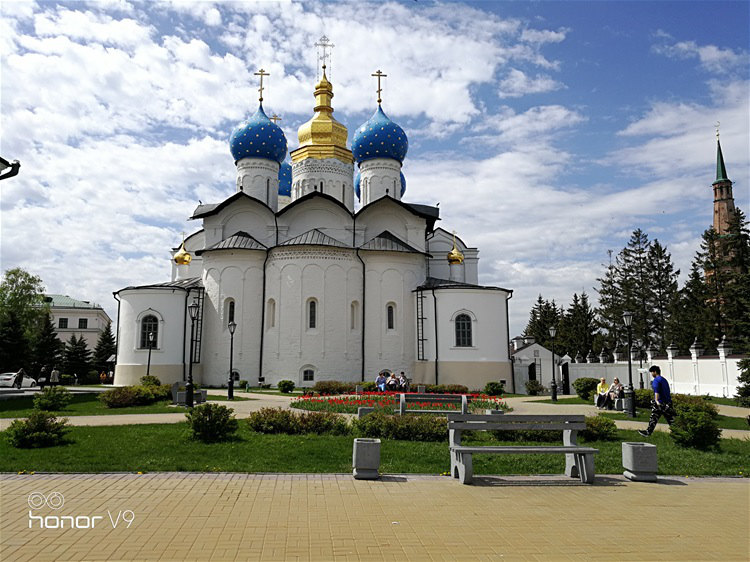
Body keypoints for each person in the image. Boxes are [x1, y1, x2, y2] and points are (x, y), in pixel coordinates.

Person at [638, 365, 675, 437]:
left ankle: (648, 432)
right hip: (668, 402)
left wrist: (656, 400)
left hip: (660, 403)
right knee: (669, 418)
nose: (651, 374)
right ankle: (677, 431)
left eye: (652, 372)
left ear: (655, 372)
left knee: (654, 417)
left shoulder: (656, 380)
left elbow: (656, 391)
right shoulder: (664, 380)